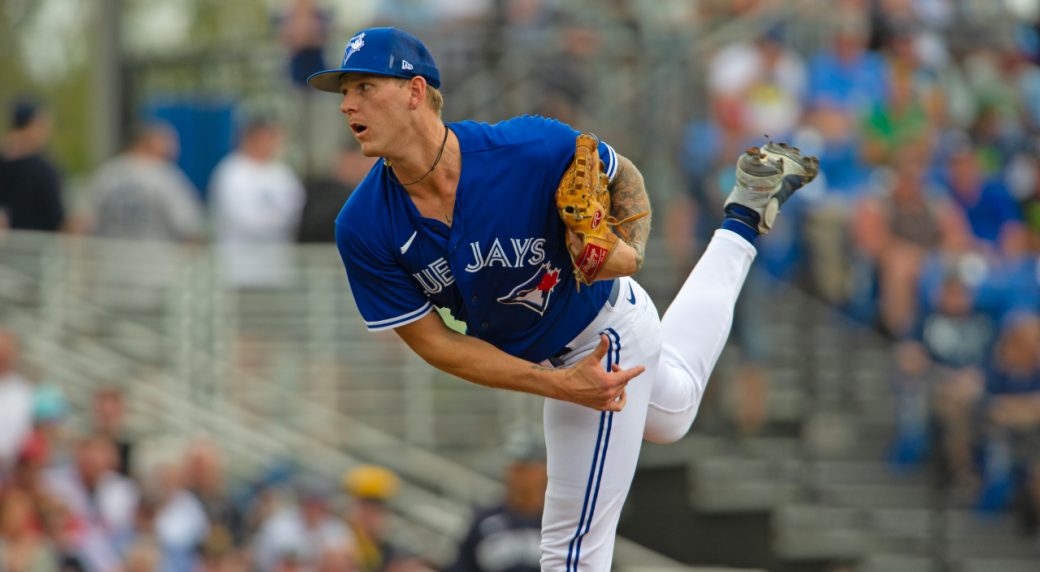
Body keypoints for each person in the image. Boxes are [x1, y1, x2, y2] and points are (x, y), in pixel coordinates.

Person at [309, 27, 817, 570]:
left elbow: (627, 178)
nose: (347, 105)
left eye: (364, 87)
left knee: (570, 553)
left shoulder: (528, 147)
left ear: (414, 91)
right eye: (344, 92)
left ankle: (742, 216)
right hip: (563, 357)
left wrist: (630, 252)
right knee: (674, 412)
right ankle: (745, 213)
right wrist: (553, 384)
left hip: (601, 338)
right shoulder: (363, 224)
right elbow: (435, 344)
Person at [449, 438, 546, 572]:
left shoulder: (561, 521)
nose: (520, 476)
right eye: (515, 468)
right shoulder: (484, 521)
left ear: (544, 470)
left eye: (527, 468)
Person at [0, 99, 65, 232]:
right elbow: (59, 220)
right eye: (42, 125)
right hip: (31, 249)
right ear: (32, 124)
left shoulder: (45, 166)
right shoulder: (43, 169)